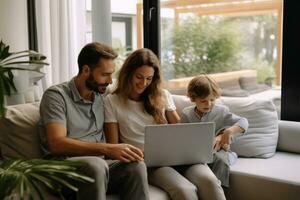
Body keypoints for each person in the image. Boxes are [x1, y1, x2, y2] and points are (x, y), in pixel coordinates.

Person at [104, 48, 226, 200]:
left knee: (211, 182)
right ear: (128, 74)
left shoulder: (162, 95)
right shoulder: (112, 101)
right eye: (139, 77)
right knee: (184, 189)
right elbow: (113, 145)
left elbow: (181, 130)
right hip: (150, 163)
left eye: (149, 78)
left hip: (179, 156)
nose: (143, 83)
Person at [39, 42, 150, 200]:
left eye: (112, 74)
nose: (110, 81)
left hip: (101, 168)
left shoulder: (102, 95)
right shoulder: (56, 96)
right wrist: (108, 149)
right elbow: (56, 143)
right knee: (95, 165)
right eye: (105, 75)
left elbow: (134, 92)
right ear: (86, 70)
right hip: (64, 170)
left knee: (136, 166)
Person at [180, 74, 249, 187]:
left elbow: (244, 122)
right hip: (196, 152)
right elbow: (181, 135)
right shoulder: (187, 114)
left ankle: (218, 189)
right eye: (203, 101)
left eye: (212, 100)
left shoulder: (221, 111)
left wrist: (228, 132)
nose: (209, 104)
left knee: (220, 160)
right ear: (193, 98)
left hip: (217, 151)